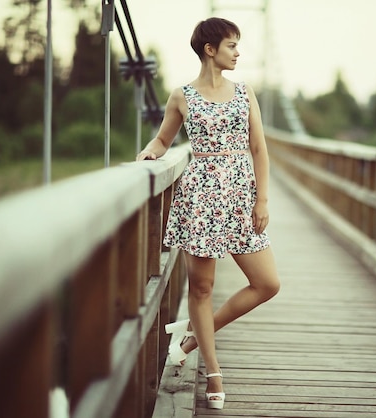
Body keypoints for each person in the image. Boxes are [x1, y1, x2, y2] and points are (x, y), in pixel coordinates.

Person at [135, 17, 280, 410]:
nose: (238, 52)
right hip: (199, 197)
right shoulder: (181, 95)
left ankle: (194, 337)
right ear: (210, 50)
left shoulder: (244, 92)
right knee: (201, 288)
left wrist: (261, 200)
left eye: (238, 45)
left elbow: (260, 148)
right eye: (232, 45)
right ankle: (214, 372)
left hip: (240, 196)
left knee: (267, 283)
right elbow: (164, 139)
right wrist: (150, 153)